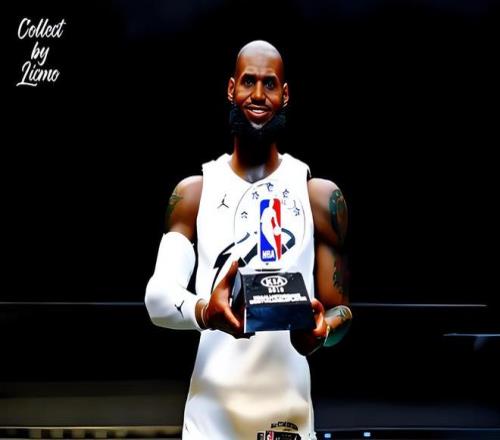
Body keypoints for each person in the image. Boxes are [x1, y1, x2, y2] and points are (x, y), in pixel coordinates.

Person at [145, 40, 352, 440]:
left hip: (288, 415)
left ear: (285, 94)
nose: (258, 94)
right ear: (231, 88)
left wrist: (322, 331)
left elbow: (340, 310)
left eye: (269, 84)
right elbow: (157, 298)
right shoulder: (194, 193)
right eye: (248, 81)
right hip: (212, 416)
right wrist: (205, 312)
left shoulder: (319, 197)